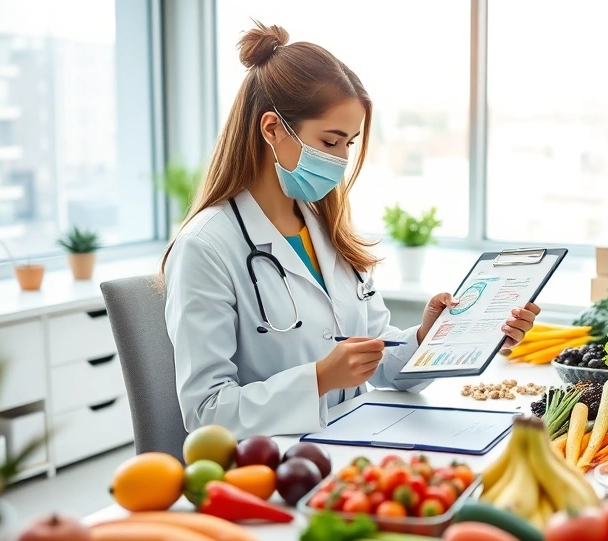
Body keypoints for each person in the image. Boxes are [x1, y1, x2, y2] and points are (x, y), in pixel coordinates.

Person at [161, 22, 540, 438]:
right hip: (277, 463)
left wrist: (428, 337)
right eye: (329, 142)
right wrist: (320, 378)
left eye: (350, 144)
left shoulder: (326, 229)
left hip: (353, 437)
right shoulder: (206, 246)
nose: (341, 160)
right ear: (271, 128)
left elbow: (378, 359)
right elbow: (206, 413)